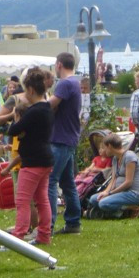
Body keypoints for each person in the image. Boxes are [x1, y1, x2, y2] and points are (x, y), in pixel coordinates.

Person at [7, 70, 53, 244]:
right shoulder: (48, 108)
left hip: (32, 161)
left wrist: (15, 116)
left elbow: (13, 131)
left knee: (22, 200)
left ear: (31, 90)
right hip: (45, 159)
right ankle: (44, 235)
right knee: (42, 199)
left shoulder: (34, 111)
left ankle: (18, 237)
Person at [48, 51, 83, 235]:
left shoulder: (65, 83)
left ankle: (48, 225)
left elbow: (50, 105)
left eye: (55, 63)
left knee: (50, 181)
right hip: (69, 138)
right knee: (67, 182)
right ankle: (73, 222)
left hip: (60, 139)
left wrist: (33, 105)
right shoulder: (74, 83)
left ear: (59, 64)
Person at [87, 134, 139, 218]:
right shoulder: (115, 159)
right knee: (94, 199)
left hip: (134, 193)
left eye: (104, 148)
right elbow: (113, 179)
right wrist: (105, 192)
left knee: (103, 203)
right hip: (121, 192)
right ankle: (116, 210)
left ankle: (134, 207)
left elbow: (128, 182)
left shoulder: (129, 157)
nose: (104, 151)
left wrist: (110, 193)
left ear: (110, 146)